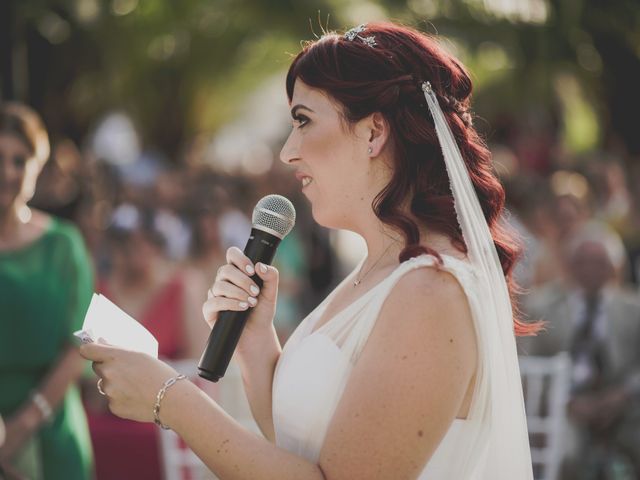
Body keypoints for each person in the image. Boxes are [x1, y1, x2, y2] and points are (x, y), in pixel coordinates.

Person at [80, 22, 537, 479]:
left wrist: (172, 400)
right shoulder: (379, 270)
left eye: (303, 121)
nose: (286, 152)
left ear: (374, 132)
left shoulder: (432, 292)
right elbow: (304, 449)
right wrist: (256, 340)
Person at [0, 102, 94, 478]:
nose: (7, 171)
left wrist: (24, 423)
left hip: (49, 429)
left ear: (37, 168)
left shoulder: (63, 244)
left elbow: (82, 343)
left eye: (20, 160)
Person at [521, 222, 640, 478]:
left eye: (599, 262)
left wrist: (621, 395)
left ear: (614, 267)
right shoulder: (542, 306)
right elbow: (529, 364)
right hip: (563, 405)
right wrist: (566, 402)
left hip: (622, 404)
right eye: (582, 261)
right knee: (566, 452)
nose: (590, 269)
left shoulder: (633, 309)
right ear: (570, 265)